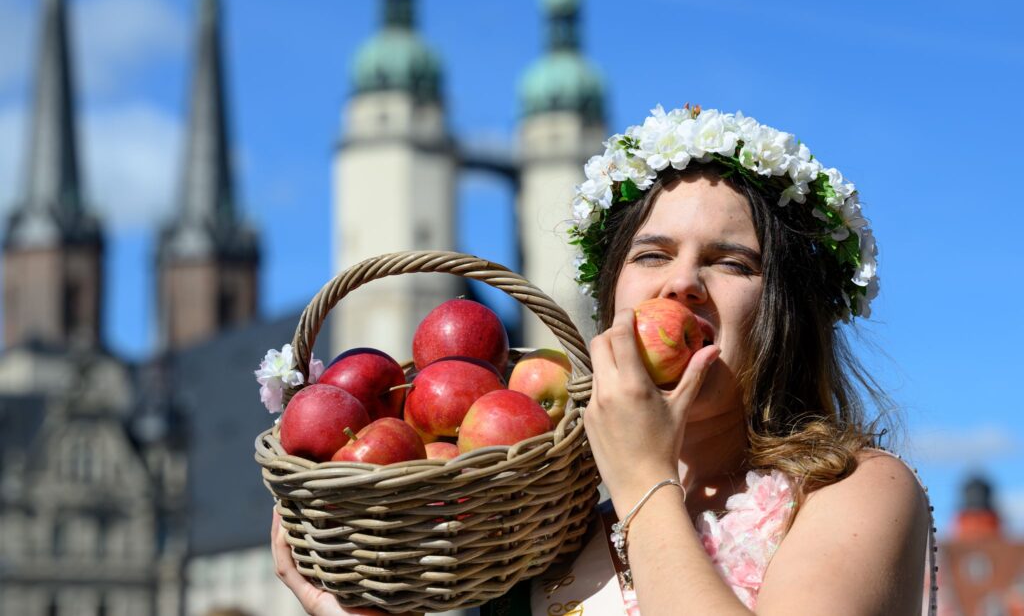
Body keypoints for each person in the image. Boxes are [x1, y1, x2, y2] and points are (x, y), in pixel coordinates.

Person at [271, 105, 935, 615]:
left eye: (732, 262)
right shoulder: (544, 535)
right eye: (652, 255)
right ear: (612, 296)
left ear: (786, 313)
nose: (682, 283)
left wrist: (643, 475)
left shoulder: (853, 491)